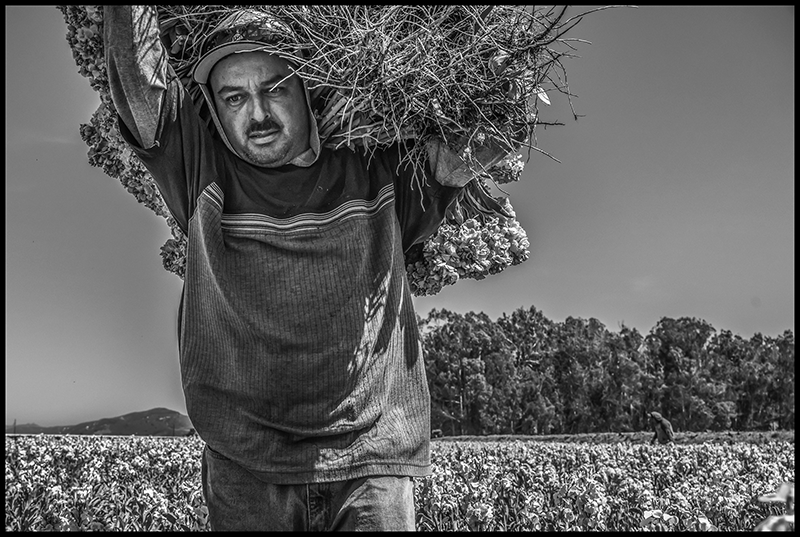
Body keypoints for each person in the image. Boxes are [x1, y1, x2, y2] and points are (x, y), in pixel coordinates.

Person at [103, 6, 516, 531]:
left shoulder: (377, 171)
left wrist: (502, 65)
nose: (257, 114)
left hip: (372, 464)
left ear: (308, 89)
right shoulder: (197, 168)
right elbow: (138, 81)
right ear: (214, 106)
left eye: (275, 88)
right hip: (247, 468)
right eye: (234, 98)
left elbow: (481, 139)